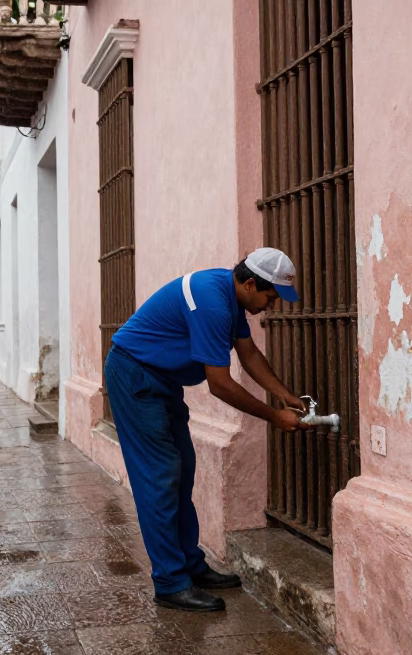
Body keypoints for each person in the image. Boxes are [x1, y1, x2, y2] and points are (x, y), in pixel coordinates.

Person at [104, 248, 313, 613]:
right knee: (161, 476)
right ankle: (170, 583)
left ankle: (189, 565)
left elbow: (248, 355)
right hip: (134, 375)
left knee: (181, 471)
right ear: (250, 284)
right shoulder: (214, 302)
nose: (271, 306)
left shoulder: (228, 294)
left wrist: (285, 396)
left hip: (162, 380)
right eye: (270, 297)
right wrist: (273, 416)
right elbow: (220, 384)